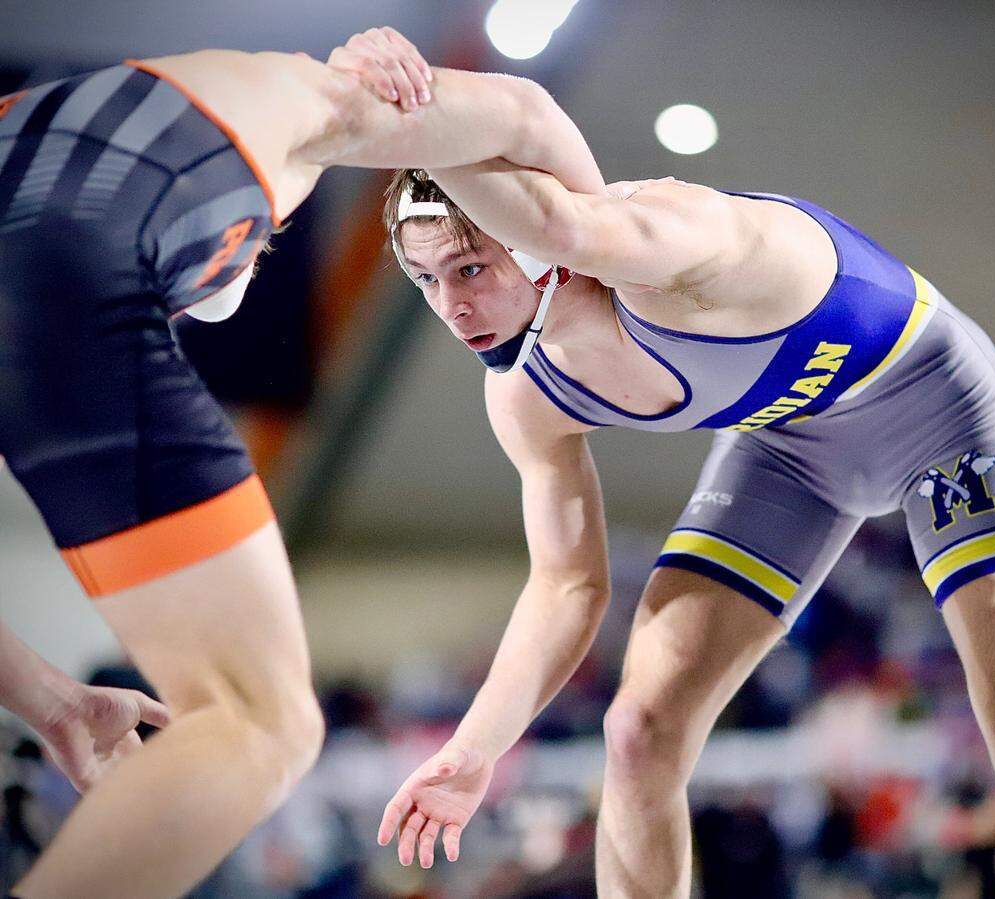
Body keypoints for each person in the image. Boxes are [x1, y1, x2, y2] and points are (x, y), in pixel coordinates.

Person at [366, 96, 995, 899]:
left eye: (471, 269)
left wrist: (406, 101)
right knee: (638, 732)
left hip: (934, 408)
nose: (451, 307)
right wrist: (477, 745)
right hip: (789, 448)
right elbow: (568, 585)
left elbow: (528, 117)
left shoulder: (663, 239)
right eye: (425, 279)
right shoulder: (527, 394)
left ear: (530, 239)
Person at [0, 27, 606, 899]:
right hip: (73, 259)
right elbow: (527, 110)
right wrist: (595, 263)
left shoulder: (101, 121)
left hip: (53, 238)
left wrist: (54, 703)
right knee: (263, 722)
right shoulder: (304, 97)